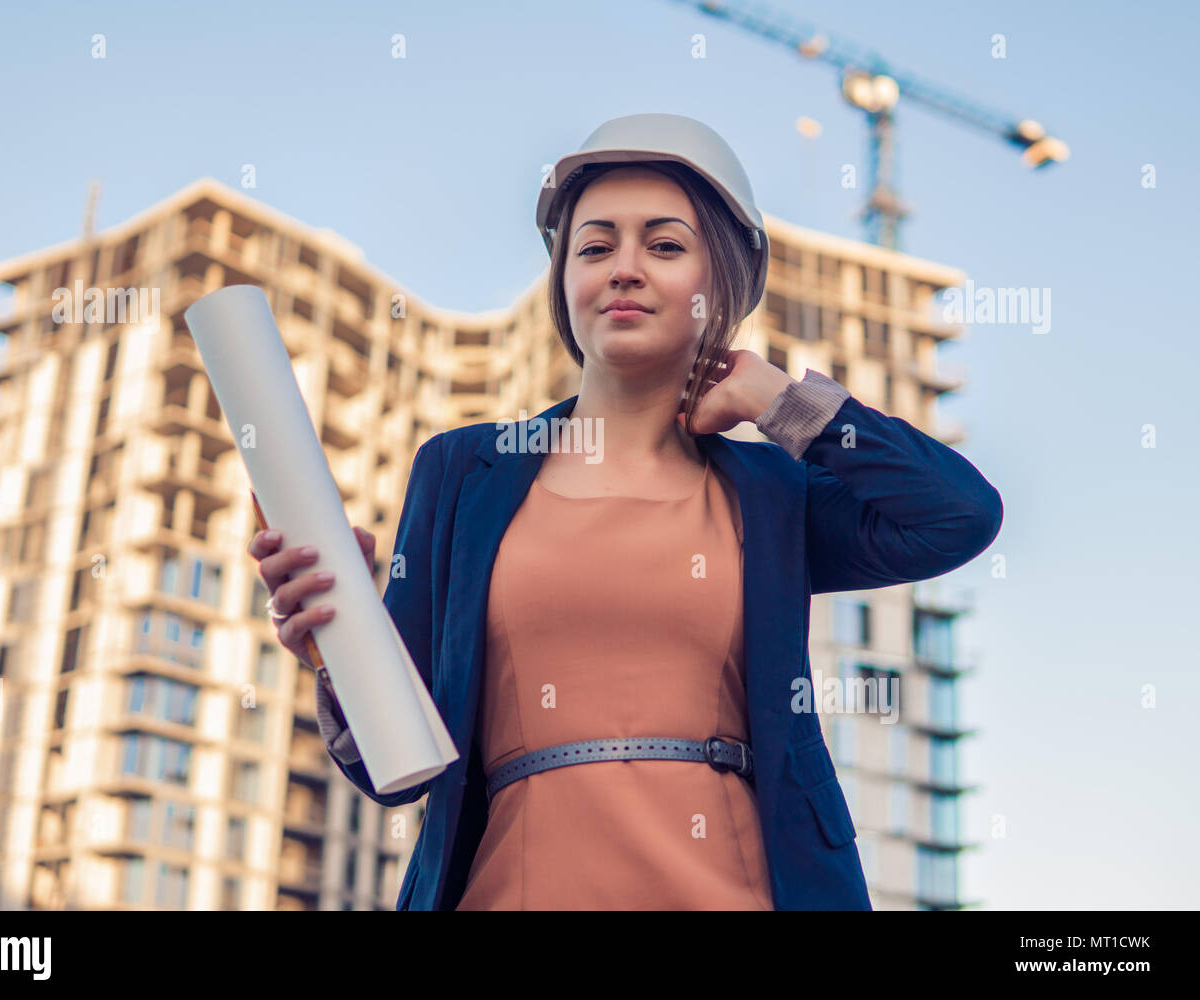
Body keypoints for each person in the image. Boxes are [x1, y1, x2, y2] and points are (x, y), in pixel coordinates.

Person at [249, 113, 1004, 910]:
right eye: (597, 246)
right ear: (564, 283)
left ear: (724, 287)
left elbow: (957, 515)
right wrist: (338, 648)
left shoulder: (772, 494)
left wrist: (780, 399)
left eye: (666, 246)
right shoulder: (463, 472)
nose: (625, 269)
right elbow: (392, 766)